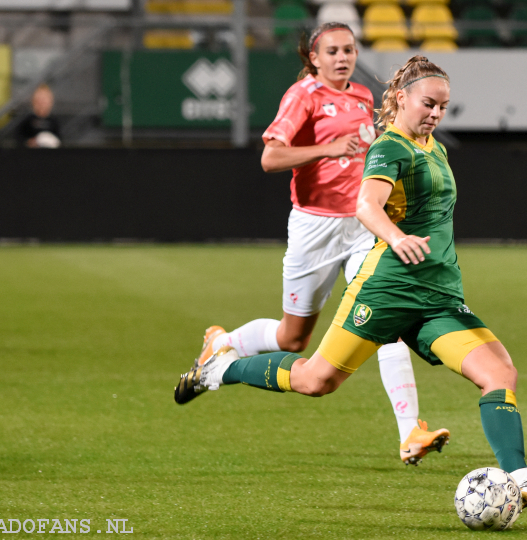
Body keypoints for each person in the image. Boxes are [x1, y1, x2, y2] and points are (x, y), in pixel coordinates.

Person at [176, 54, 527, 508]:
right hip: (387, 290)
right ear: (402, 97)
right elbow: (366, 205)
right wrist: (396, 236)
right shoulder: (390, 148)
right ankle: (220, 370)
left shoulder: (435, 148)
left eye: (444, 107)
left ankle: (520, 476)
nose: (435, 114)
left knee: (499, 372)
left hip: (437, 297)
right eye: (428, 104)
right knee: (315, 380)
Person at [190, 23, 449, 466]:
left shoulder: (365, 97)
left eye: (348, 49)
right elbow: (270, 157)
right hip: (314, 226)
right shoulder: (302, 96)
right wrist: (326, 149)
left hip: (361, 226)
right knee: (293, 338)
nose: (342, 57)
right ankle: (224, 342)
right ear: (314, 57)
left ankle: (410, 431)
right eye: (332, 51)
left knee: (386, 319)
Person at [17, 84, 61, 148]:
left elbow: (59, 141)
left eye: (45, 98)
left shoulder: (54, 121)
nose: (42, 102)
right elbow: (19, 138)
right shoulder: (27, 120)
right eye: (40, 98)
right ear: (34, 100)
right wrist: (30, 142)